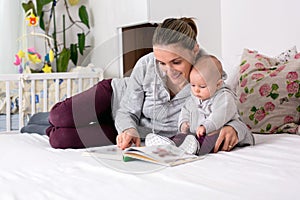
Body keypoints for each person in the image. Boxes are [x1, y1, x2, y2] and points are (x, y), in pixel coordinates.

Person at [46, 17, 253, 152]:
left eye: (176, 62)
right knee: (59, 117)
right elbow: (127, 110)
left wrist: (233, 129)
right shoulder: (146, 64)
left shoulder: (207, 73)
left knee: (59, 138)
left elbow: (233, 115)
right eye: (161, 62)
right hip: (114, 99)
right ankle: (40, 120)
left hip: (134, 130)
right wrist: (129, 126)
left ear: (194, 50)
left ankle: (38, 125)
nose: (168, 70)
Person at [145, 55, 254, 154]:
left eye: (202, 87)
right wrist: (184, 123)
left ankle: (194, 148)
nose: (196, 90)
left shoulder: (224, 97)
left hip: (214, 132)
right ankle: (167, 145)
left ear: (218, 84)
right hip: (194, 136)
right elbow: (186, 110)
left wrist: (206, 126)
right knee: (181, 137)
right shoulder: (194, 97)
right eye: (193, 85)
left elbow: (220, 115)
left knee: (211, 139)